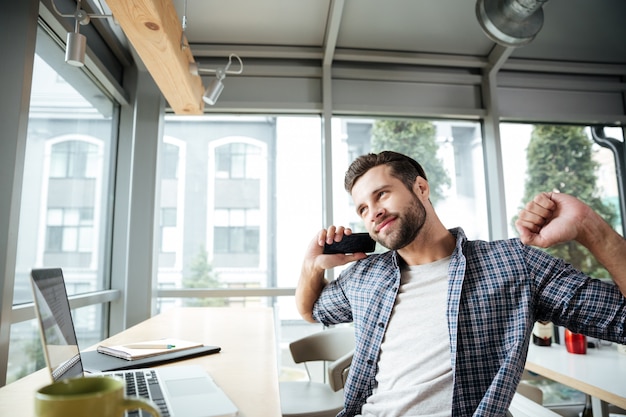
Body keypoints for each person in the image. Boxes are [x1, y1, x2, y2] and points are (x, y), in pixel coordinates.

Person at [295, 150, 626, 417]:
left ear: (421, 188)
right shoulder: (366, 276)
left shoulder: (514, 264)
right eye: (363, 208)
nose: (373, 214)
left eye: (382, 194)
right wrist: (312, 264)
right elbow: (312, 310)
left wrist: (590, 227)